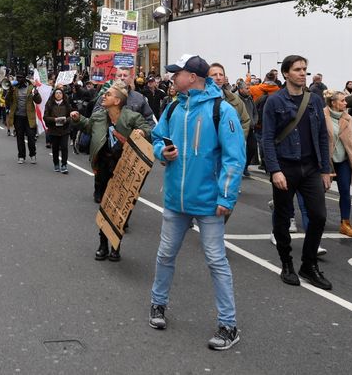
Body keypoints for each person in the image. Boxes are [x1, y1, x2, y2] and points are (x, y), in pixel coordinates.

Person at [148, 54, 245, 351]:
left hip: (208, 203)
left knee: (216, 262)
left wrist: (226, 196)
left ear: (192, 77)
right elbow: (157, 138)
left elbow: (234, 158)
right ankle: (157, 304)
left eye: (176, 74)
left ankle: (228, 324)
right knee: (165, 255)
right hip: (175, 200)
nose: (172, 78)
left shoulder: (222, 111)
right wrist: (161, 153)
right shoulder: (174, 107)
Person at [262, 55, 333, 290]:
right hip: (286, 167)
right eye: (298, 69)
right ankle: (287, 263)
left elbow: (323, 136)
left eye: (305, 69)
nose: (303, 73)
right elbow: (267, 139)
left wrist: (325, 169)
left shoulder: (314, 100)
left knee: (319, 215)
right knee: (283, 217)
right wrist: (275, 170)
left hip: (311, 167)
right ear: (286, 74)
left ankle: (309, 264)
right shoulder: (275, 102)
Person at [70, 81, 151, 261]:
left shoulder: (131, 116)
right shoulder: (99, 116)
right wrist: (77, 119)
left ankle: (115, 246)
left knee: (119, 208)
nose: (104, 96)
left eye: (108, 94)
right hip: (103, 166)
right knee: (105, 205)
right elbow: (88, 127)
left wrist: (142, 132)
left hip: (124, 167)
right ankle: (102, 244)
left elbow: (147, 128)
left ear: (117, 101)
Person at [323, 90, 352, 237]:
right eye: (342, 100)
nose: (345, 103)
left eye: (345, 100)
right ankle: (315, 218)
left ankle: (345, 223)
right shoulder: (322, 116)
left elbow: (351, 139)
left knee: (345, 192)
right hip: (327, 160)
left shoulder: (348, 118)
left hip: (343, 160)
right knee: (319, 191)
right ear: (333, 102)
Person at [6, 72, 42, 164]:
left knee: (31, 137)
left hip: (29, 118)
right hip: (18, 117)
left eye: (20, 77)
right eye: (17, 77)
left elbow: (38, 101)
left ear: (24, 79)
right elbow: (7, 101)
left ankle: (33, 155)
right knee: (20, 137)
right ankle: (21, 156)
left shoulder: (31, 88)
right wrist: (9, 91)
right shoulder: (14, 88)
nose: (18, 79)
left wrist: (36, 94)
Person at [208, 63, 251, 138]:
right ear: (207, 78)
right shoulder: (202, 100)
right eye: (214, 75)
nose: (218, 78)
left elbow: (245, 121)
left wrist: (239, 140)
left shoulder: (235, 99)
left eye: (221, 75)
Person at [43, 86, 73, 173]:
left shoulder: (67, 104)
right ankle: (56, 163)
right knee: (55, 148)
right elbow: (45, 117)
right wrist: (54, 119)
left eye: (60, 93)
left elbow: (70, 116)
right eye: (57, 93)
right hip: (53, 130)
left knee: (64, 147)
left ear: (63, 95)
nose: (58, 95)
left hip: (64, 129)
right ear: (54, 95)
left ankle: (64, 165)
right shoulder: (49, 104)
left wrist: (65, 120)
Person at [237, 81, 258, 176]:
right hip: (239, 129)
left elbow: (255, 112)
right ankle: (238, 168)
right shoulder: (236, 99)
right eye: (247, 88)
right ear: (241, 89)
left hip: (250, 129)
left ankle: (245, 166)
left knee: (253, 148)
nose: (249, 90)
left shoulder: (250, 99)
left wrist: (254, 121)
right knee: (239, 150)